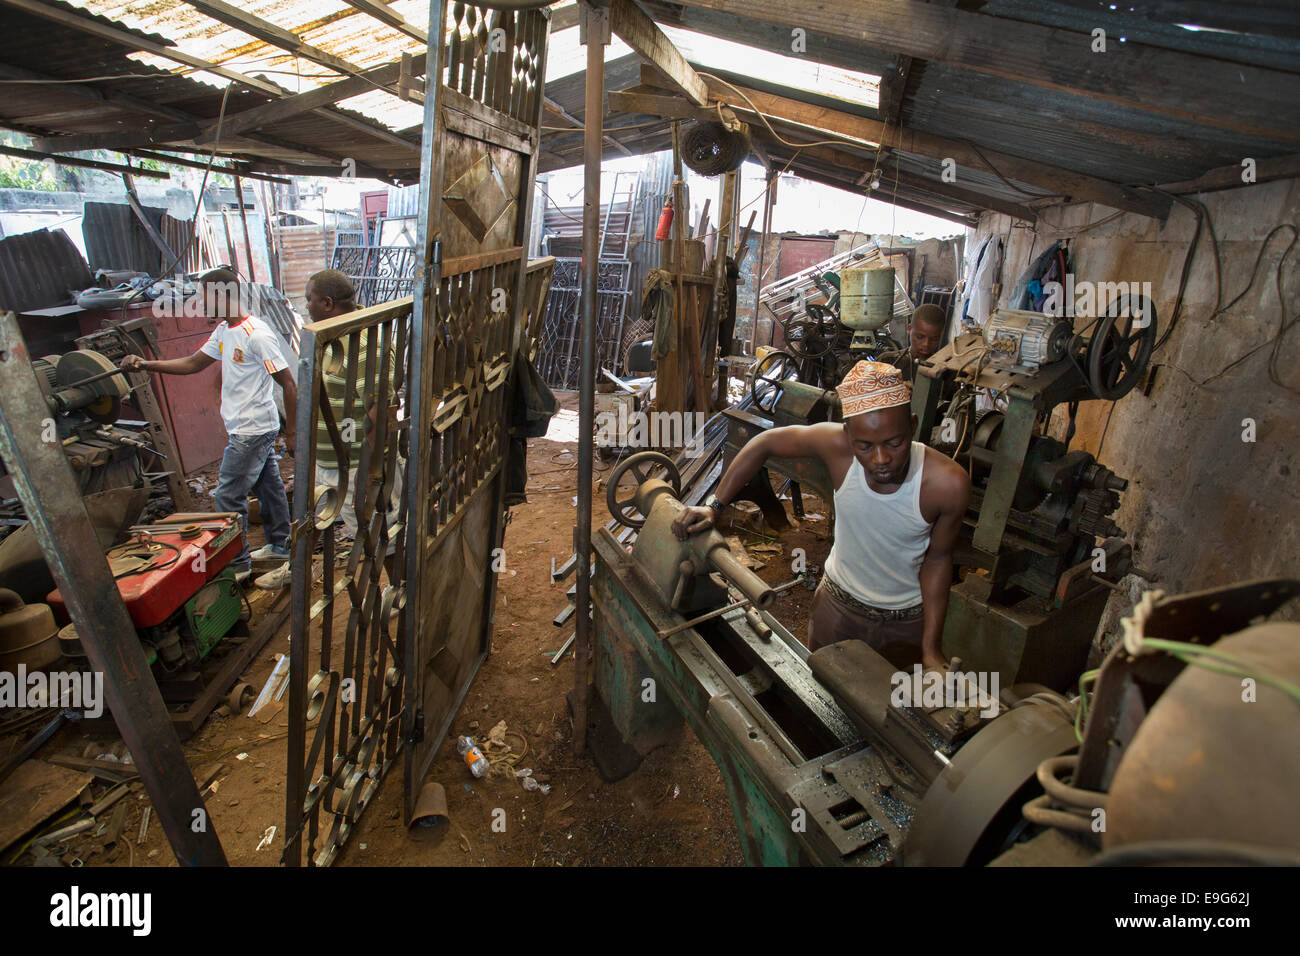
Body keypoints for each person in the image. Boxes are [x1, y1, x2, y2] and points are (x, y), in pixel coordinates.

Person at [672, 360, 970, 672]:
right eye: (865, 446)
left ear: (912, 425)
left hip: (906, 622)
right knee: (823, 695)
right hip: (837, 609)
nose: (881, 459)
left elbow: (938, 559)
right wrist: (714, 506)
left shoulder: (946, 484)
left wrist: (931, 648)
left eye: (894, 443)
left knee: (891, 710)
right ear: (847, 434)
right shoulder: (836, 447)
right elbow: (762, 443)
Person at [122, 269, 296, 582]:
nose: (202, 303)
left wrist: (294, 433)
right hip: (249, 428)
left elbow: (288, 383)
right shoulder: (224, 331)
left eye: (205, 296)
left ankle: (238, 563)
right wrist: (145, 364)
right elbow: (193, 363)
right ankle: (281, 547)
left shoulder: (256, 334)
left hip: (251, 430)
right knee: (268, 488)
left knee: (226, 498)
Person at [254, 269, 403, 589]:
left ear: (327, 303)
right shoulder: (340, 329)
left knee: (377, 531)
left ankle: (399, 592)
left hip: (353, 464)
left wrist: (370, 469)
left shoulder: (362, 343)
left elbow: (380, 411)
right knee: (311, 517)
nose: (305, 306)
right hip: (329, 457)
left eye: (308, 300)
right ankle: (299, 569)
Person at [877, 302, 946, 383]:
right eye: (920, 337)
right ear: (909, 329)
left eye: (934, 339)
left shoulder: (944, 369)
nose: (926, 344)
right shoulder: (888, 361)